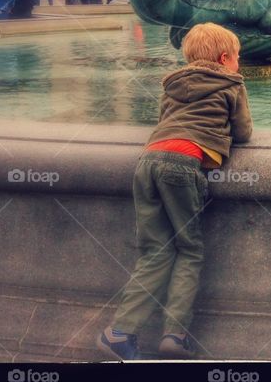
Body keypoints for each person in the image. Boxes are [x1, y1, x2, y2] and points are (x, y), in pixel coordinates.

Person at [98, 23, 254, 361]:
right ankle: (175, 334)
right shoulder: (232, 83)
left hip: (149, 160)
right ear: (226, 58)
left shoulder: (172, 82)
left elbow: (164, 120)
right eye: (238, 58)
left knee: (155, 251)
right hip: (184, 163)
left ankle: (120, 332)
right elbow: (243, 133)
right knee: (189, 248)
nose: (239, 64)